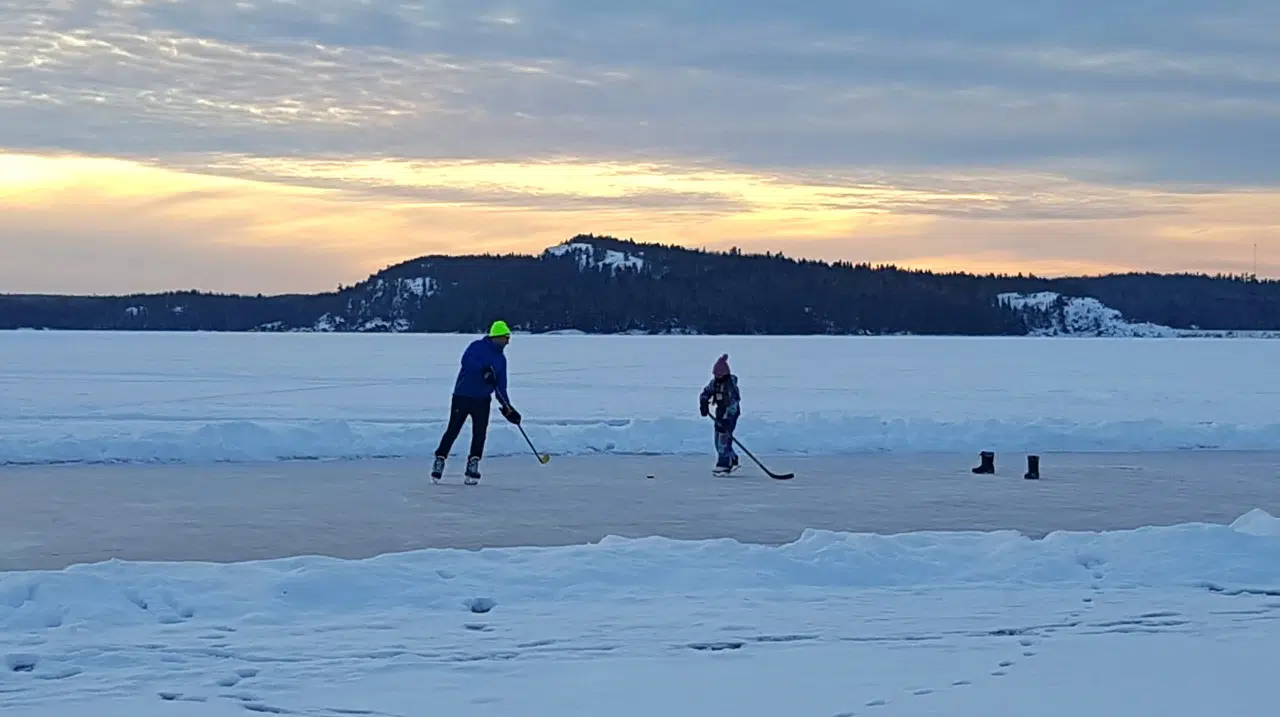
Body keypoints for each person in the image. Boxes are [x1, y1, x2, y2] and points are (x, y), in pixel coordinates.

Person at [432, 320, 522, 484]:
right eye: (506, 337)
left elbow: (500, 386)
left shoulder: (501, 360)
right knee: (453, 429)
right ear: (497, 337)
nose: (508, 341)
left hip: (482, 400)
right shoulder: (476, 347)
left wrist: (508, 408)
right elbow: (467, 361)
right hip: (463, 396)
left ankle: (473, 463)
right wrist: (484, 369)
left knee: (480, 433)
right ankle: (440, 458)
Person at [699, 353, 741, 474]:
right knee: (717, 439)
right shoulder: (715, 383)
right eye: (715, 374)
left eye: (718, 374)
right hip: (720, 411)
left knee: (724, 438)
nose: (716, 377)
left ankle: (724, 463)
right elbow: (706, 392)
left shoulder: (730, 386)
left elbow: (734, 403)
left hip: (731, 413)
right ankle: (732, 458)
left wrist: (726, 420)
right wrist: (704, 402)